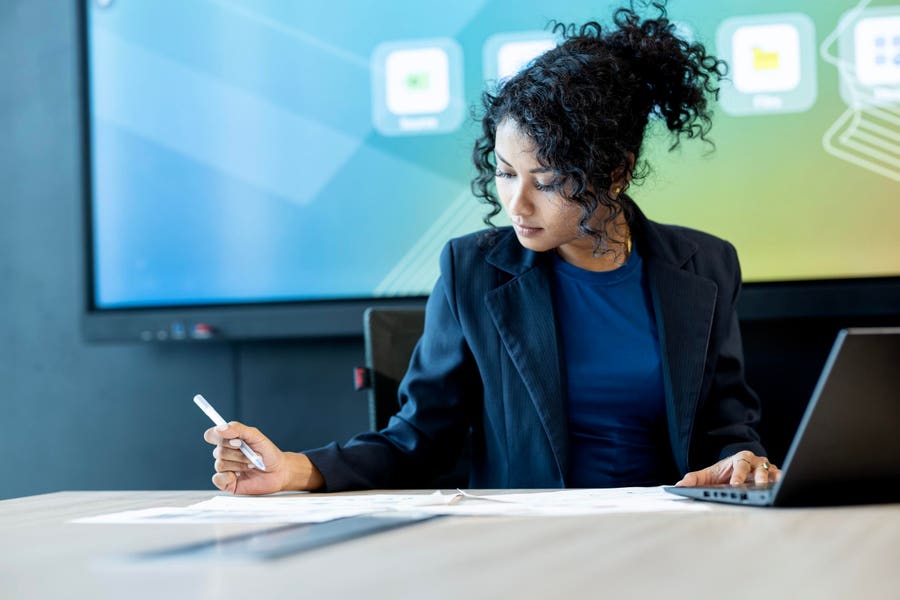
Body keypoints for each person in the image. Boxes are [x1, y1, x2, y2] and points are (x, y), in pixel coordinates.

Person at [204, 1, 781, 495]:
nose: (517, 204)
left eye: (547, 181)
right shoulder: (471, 270)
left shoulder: (705, 265)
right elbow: (418, 439)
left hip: (677, 539)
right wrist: (294, 470)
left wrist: (743, 460)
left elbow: (726, 426)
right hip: (529, 550)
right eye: (506, 173)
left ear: (616, 172)